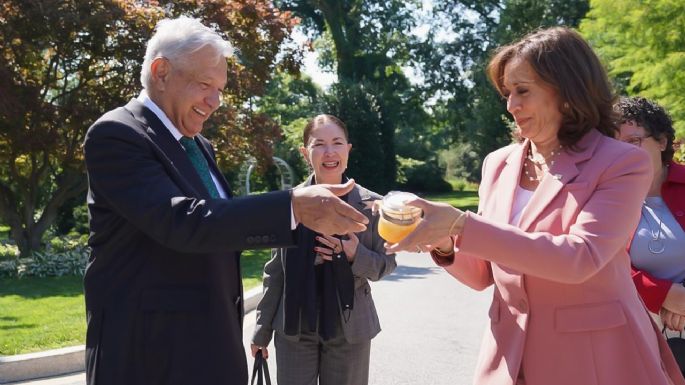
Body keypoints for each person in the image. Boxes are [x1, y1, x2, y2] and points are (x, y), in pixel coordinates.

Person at [385, 27, 685, 385]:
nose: (511, 105)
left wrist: (460, 226)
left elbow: (581, 257)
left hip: (595, 361)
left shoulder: (621, 162)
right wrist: (444, 242)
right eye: (507, 93)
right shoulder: (498, 163)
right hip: (508, 358)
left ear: (567, 91)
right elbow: (483, 273)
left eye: (522, 91)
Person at [82, 17, 368, 385]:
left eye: (220, 89)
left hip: (210, 349)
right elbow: (183, 222)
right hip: (149, 357)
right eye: (205, 85)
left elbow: (219, 228)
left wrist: (302, 220)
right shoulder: (117, 134)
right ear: (161, 71)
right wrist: (292, 207)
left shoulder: (201, 146)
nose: (215, 102)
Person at [249, 114, 396, 385]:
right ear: (306, 153)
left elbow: (386, 265)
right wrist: (261, 331)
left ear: (348, 150)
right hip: (294, 329)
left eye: (337, 143)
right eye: (319, 145)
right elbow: (275, 274)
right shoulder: (289, 204)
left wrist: (355, 254)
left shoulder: (371, 205)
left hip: (349, 331)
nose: (329, 152)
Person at [615, 97, 685, 332]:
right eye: (615, 144)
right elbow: (602, 263)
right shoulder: (604, 196)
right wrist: (663, 295)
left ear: (662, 141)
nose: (623, 152)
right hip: (632, 330)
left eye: (633, 141)